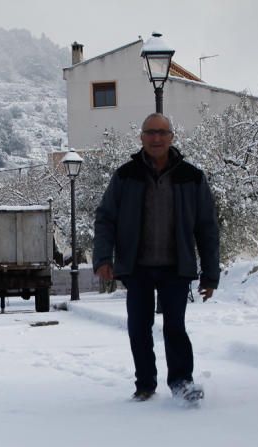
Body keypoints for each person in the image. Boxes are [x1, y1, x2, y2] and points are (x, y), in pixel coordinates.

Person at [93, 113, 220, 403]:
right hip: (136, 267)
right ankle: (145, 384)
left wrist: (210, 274)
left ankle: (181, 382)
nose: (156, 138)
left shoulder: (192, 177)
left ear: (172, 137)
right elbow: (106, 218)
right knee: (139, 327)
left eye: (162, 133)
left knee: (175, 326)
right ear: (141, 138)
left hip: (176, 267)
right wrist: (103, 258)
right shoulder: (125, 176)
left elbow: (207, 227)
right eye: (150, 132)